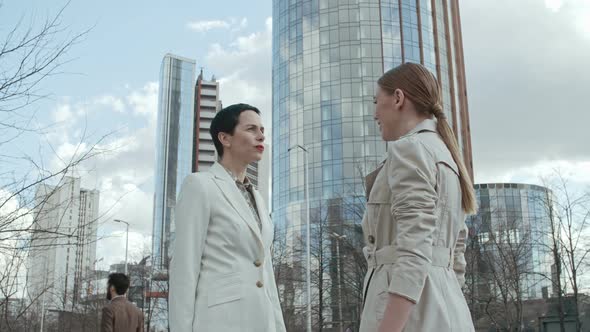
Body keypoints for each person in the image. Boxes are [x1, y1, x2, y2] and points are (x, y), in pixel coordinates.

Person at [359, 63, 476, 332]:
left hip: (409, 316)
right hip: (447, 307)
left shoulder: (409, 149)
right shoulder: (447, 156)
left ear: (398, 98)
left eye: (376, 101)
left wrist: (389, 327)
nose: (375, 113)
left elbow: (414, 247)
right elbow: (456, 252)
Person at [169, 103, 286, 332]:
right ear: (225, 138)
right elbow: (184, 268)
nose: (261, 135)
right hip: (219, 321)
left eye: (262, 130)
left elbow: (266, 273)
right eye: (251, 129)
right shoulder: (199, 186)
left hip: (262, 322)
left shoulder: (258, 199)